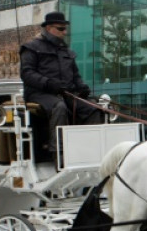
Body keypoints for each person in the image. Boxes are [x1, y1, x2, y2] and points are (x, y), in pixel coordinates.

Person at [19, 11, 102, 160]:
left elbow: (75, 75)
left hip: (65, 93)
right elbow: (27, 73)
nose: (65, 32)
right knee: (59, 107)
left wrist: (82, 87)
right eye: (61, 29)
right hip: (40, 94)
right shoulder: (31, 47)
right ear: (49, 28)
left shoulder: (67, 52)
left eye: (65, 29)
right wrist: (48, 83)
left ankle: (88, 148)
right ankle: (59, 152)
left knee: (93, 109)